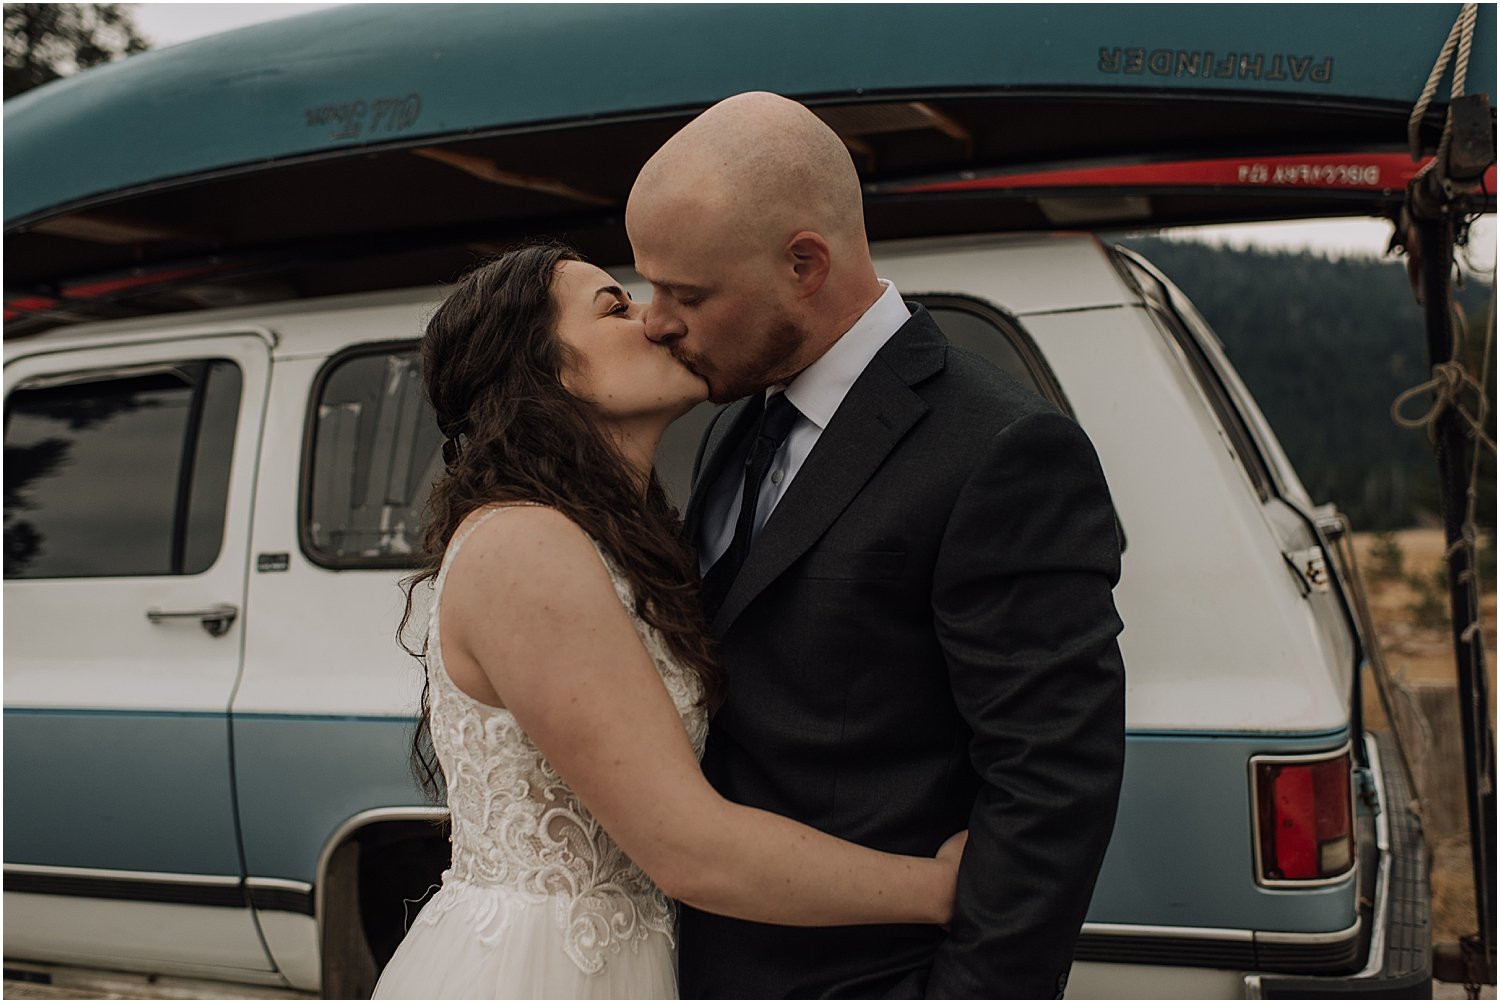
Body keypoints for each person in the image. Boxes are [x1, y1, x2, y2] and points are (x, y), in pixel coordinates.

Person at [625, 92, 1127, 998]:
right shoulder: (737, 425)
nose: (655, 320)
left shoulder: (1002, 449)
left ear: (804, 264)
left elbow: (1051, 785)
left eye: (687, 293)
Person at [370, 243, 966, 1000]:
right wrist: (940, 888)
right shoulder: (525, 544)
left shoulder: (611, 534)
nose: (657, 320)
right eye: (616, 307)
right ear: (543, 370)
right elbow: (689, 849)